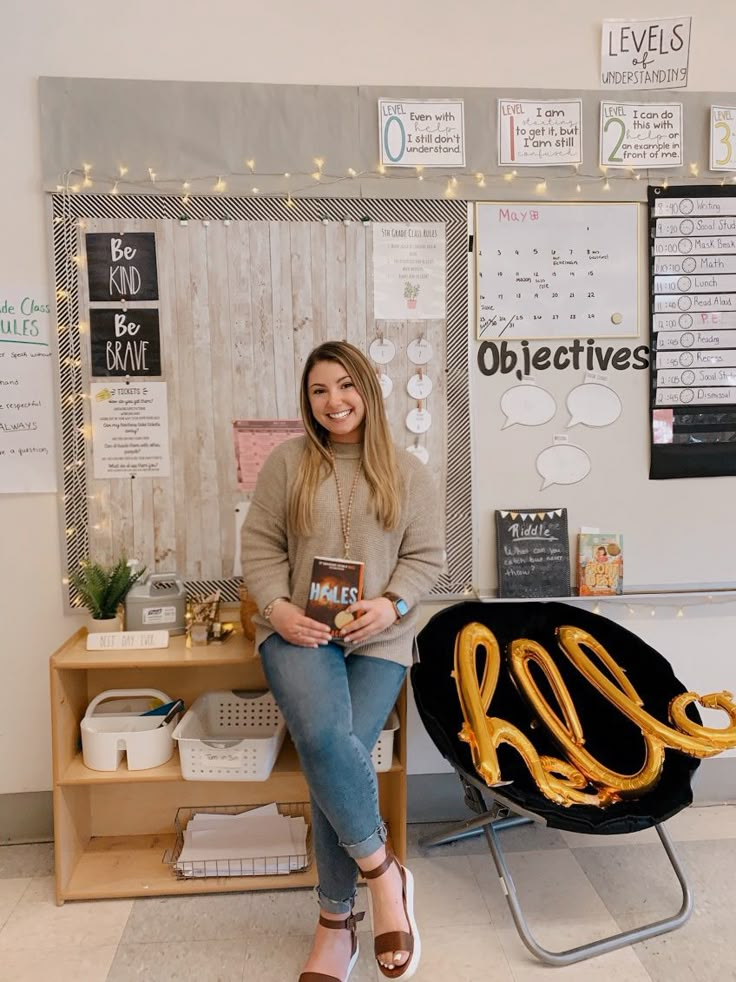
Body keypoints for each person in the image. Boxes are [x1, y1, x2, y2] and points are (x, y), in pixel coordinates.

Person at [242, 340, 443, 981]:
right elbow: (260, 548)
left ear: (369, 390)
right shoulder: (287, 463)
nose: (335, 401)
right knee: (330, 740)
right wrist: (276, 609)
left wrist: (391, 604)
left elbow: (428, 559)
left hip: (378, 640)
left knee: (341, 751)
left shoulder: (408, 472)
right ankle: (384, 878)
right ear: (308, 400)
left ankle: (335, 923)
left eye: (346, 386)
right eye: (319, 390)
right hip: (299, 634)